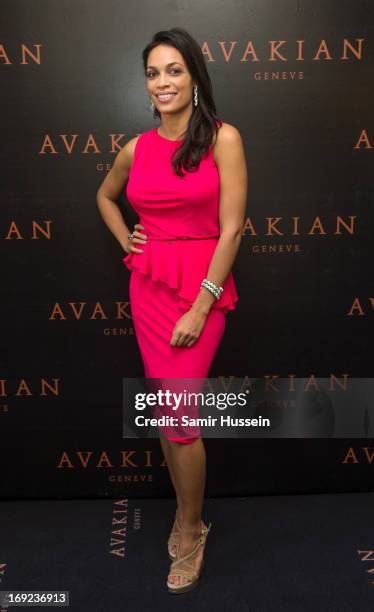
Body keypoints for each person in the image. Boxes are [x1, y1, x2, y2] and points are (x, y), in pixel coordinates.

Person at [96, 27, 247, 594]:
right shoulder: (136, 148)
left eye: (174, 71)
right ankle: (187, 514)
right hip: (150, 289)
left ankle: (191, 524)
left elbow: (231, 231)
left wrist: (202, 306)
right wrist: (126, 241)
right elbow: (104, 196)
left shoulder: (223, 139)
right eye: (154, 73)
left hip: (201, 290)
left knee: (180, 418)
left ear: (195, 78)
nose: (163, 82)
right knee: (167, 413)